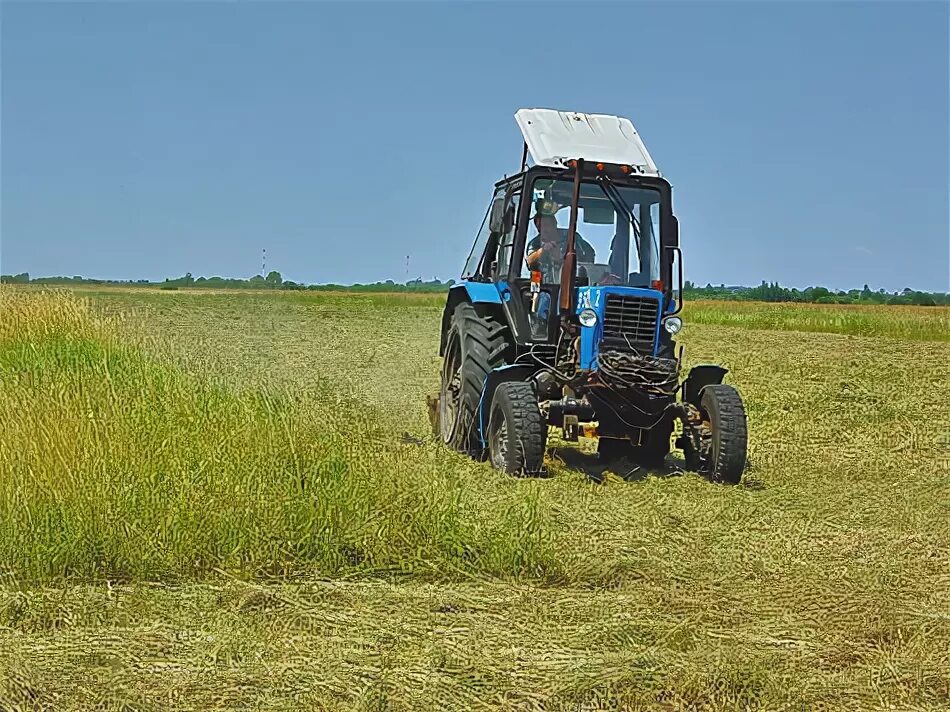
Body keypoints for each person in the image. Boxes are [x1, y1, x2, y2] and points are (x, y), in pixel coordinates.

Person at [524, 209, 596, 283]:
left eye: (546, 225)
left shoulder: (571, 236)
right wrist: (543, 250)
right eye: (539, 226)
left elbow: (590, 253)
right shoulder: (535, 243)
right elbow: (529, 261)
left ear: (555, 224)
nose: (543, 229)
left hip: (570, 283)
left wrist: (571, 261)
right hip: (543, 286)